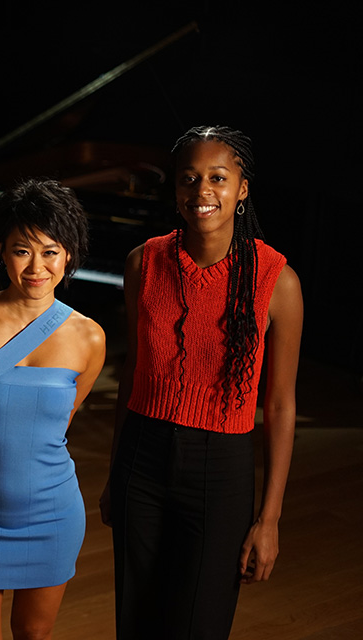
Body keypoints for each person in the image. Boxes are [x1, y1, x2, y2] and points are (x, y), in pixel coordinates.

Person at [102, 125, 303, 640]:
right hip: (140, 459)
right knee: (136, 623)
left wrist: (270, 518)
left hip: (221, 466)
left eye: (218, 177)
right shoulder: (142, 262)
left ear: (243, 188)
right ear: (174, 188)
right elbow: (133, 374)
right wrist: (114, 473)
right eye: (189, 178)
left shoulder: (277, 280)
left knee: (199, 625)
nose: (201, 191)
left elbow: (279, 406)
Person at [0, 179, 106, 640]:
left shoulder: (89, 337)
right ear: (1, 250)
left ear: (68, 254)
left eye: (50, 252)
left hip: (53, 514)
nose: (37, 267)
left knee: (34, 635)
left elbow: (57, 427)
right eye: (22, 250)